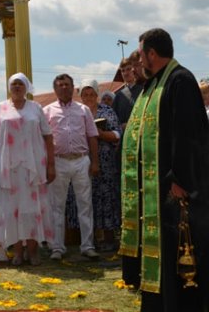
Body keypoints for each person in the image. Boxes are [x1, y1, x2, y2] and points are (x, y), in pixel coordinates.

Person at [120, 28, 209, 311]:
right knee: (161, 255)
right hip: (154, 190)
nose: (139, 63)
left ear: (152, 54)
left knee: (178, 255)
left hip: (173, 190)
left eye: (141, 54)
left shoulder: (179, 80)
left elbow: (188, 134)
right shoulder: (154, 84)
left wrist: (180, 178)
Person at [0, 73, 55, 266]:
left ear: (26, 87)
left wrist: (50, 165)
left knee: (31, 210)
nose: (17, 87)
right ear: (9, 87)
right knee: (11, 210)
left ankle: (32, 252)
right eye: (13, 84)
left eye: (20, 84)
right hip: (8, 170)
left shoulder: (36, 108)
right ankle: (17, 252)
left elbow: (48, 137)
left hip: (33, 169)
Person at [43, 73, 100, 261]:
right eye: (60, 85)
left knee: (85, 204)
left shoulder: (83, 110)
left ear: (73, 87)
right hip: (58, 161)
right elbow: (43, 140)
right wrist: (48, 165)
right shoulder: (47, 111)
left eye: (67, 84)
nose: (64, 88)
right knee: (56, 206)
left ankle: (88, 246)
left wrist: (95, 162)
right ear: (55, 89)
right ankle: (57, 247)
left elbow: (92, 136)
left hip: (81, 160)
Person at [79, 79, 122, 252]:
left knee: (107, 199)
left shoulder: (107, 110)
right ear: (81, 96)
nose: (89, 97)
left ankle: (110, 238)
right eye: (85, 94)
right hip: (83, 162)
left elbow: (117, 134)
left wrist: (101, 134)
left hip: (105, 163)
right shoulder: (78, 112)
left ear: (97, 95)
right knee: (87, 200)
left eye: (92, 94)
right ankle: (92, 240)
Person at [112, 55, 144, 131]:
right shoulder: (119, 96)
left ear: (134, 70)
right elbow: (114, 120)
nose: (125, 73)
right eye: (123, 71)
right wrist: (120, 126)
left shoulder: (144, 90)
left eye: (128, 69)